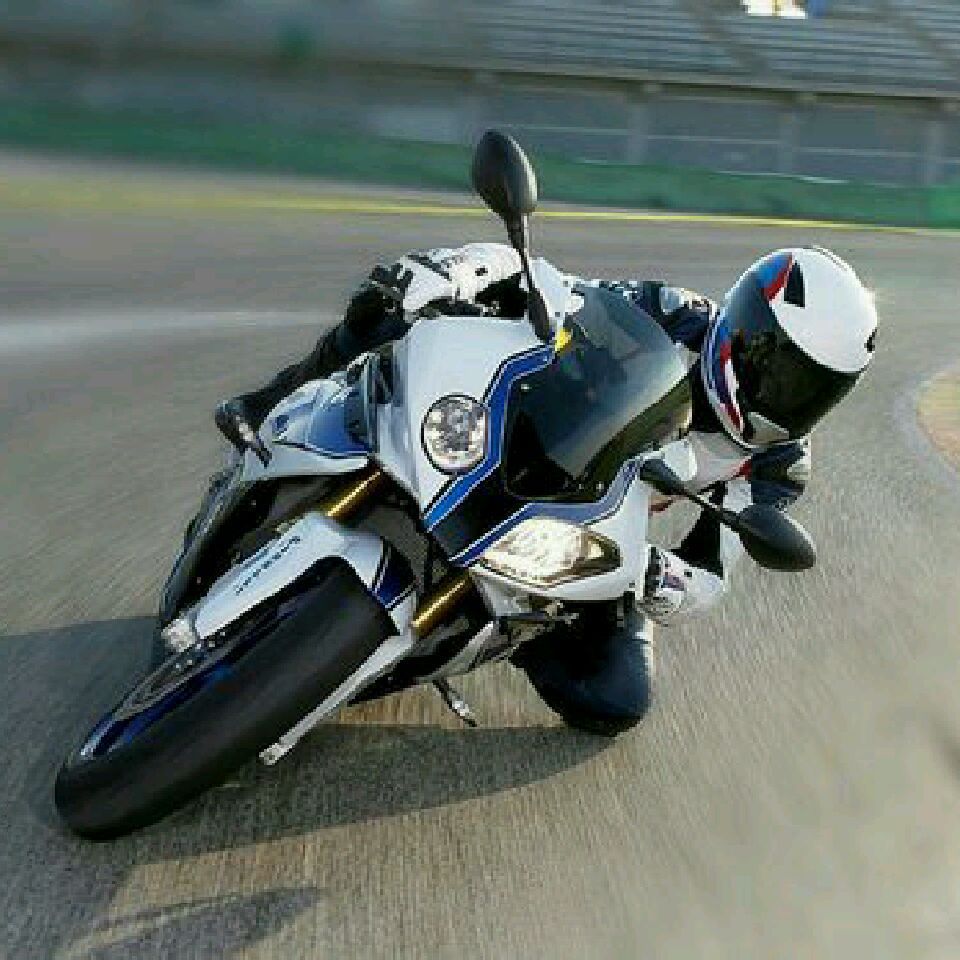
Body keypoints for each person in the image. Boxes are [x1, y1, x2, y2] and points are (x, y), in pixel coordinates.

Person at [215, 244, 878, 734]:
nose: (788, 395)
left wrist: (653, 575)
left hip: (598, 539)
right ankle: (271, 404)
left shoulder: (778, 465)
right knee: (387, 306)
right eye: (782, 368)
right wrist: (458, 273)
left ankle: (492, 637)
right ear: (745, 331)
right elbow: (553, 290)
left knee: (617, 701)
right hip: (528, 437)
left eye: (816, 388)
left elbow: (710, 574)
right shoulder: (673, 314)